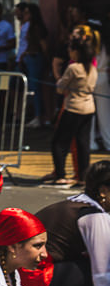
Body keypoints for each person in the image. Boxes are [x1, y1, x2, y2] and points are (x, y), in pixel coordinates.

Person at [24, 160, 110, 286]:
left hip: (23, 283)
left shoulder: (76, 203)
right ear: (104, 190)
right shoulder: (95, 217)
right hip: (30, 284)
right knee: (104, 270)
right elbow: (102, 275)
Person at [43, 37, 97, 186]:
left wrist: (59, 82)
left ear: (77, 52)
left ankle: (60, 174)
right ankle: (83, 176)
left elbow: (61, 88)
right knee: (82, 143)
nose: (69, 52)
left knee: (59, 142)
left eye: (70, 49)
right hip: (89, 107)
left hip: (73, 107)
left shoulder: (73, 68)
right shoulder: (92, 68)